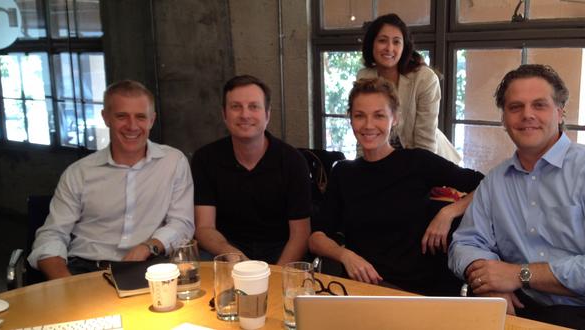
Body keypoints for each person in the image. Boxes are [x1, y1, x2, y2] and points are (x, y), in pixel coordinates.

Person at [449, 64, 585, 329]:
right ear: (504, 118)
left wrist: (519, 275)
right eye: (515, 107)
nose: (527, 115)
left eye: (539, 105)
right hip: (538, 308)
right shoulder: (495, 182)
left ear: (560, 112)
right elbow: (465, 242)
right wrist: (489, 283)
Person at [309, 77, 483, 295]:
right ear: (350, 120)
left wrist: (448, 212)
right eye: (359, 116)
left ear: (395, 119)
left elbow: (486, 184)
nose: (368, 125)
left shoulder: (418, 162)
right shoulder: (343, 172)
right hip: (363, 288)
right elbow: (316, 238)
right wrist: (346, 255)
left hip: (416, 293)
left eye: (379, 115)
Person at [28, 80, 195, 279]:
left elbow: (182, 224)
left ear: (152, 120)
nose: (132, 126)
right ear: (106, 118)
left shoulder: (173, 162)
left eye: (140, 117)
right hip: (85, 269)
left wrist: (148, 247)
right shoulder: (79, 173)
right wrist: (66, 284)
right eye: (122, 116)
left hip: (149, 268)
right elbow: (52, 234)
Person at [191, 75, 311, 265]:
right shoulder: (205, 159)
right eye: (236, 106)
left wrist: (276, 277)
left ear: (267, 114)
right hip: (225, 250)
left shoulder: (293, 161)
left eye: (254, 106)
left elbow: (300, 235)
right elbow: (204, 227)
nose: (245, 114)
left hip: (280, 251)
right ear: (224, 114)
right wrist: (230, 253)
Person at [357, 13, 460, 163]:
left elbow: (425, 144)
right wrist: (361, 169)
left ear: (404, 47)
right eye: (382, 41)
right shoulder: (364, 76)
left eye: (396, 42)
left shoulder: (425, 79)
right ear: (371, 44)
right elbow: (364, 132)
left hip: (428, 162)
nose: (389, 48)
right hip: (386, 161)